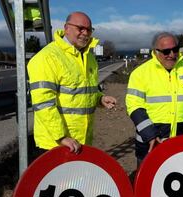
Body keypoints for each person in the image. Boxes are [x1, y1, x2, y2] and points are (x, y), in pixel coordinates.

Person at [27, 11, 117, 154]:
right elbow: (43, 103)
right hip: (55, 144)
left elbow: (83, 92)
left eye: (89, 29)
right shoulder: (47, 57)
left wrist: (100, 98)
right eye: (80, 28)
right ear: (66, 28)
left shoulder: (89, 58)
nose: (85, 33)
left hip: (82, 141)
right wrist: (61, 137)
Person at [125, 32, 183, 165]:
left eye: (175, 50)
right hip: (150, 144)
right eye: (166, 51)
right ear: (156, 52)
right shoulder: (140, 74)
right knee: (146, 184)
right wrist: (149, 134)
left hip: (181, 144)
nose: (171, 55)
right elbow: (134, 105)